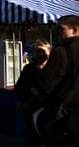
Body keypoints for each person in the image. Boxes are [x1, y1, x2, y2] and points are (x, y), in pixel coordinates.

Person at [35, 15, 79, 146]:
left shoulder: (62, 51)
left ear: (75, 30)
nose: (57, 33)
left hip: (67, 114)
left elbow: (47, 84)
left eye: (61, 29)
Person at [15, 40, 51, 147]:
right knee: (32, 134)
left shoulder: (54, 68)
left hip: (49, 107)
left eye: (42, 51)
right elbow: (19, 87)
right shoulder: (29, 69)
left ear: (49, 52)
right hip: (31, 106)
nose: (40, 54)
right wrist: (29, 92)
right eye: (37, 52)